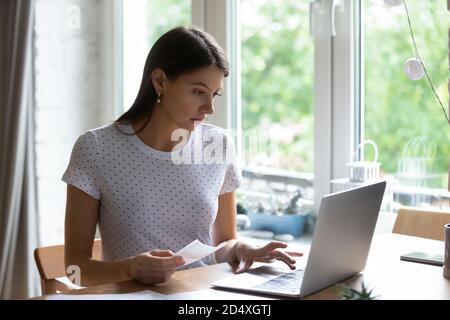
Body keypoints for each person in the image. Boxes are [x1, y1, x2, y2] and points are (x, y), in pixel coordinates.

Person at [62, 25, 302, 287]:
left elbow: (223, 245)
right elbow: (75, 270)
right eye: (198, 91)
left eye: (214, 94)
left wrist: (243, 248)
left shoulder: (218, 145)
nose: (209, 108)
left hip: (202, 298)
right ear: (160, 81)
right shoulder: (96, 148)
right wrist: (130, 268)